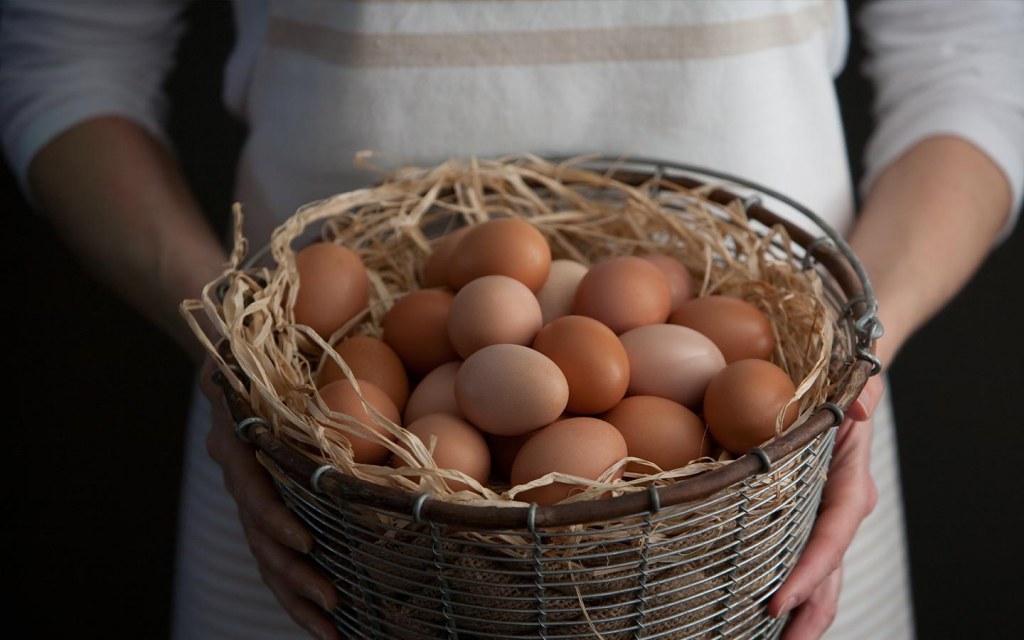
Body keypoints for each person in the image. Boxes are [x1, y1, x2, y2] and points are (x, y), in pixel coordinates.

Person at [1, 1, 1021, 638]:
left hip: (766, 507)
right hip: (321, 498)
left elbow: (976, 56)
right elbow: (62, 52)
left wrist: (850, 357)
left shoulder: (748, 388)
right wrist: (237, 350)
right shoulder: (348, 400)